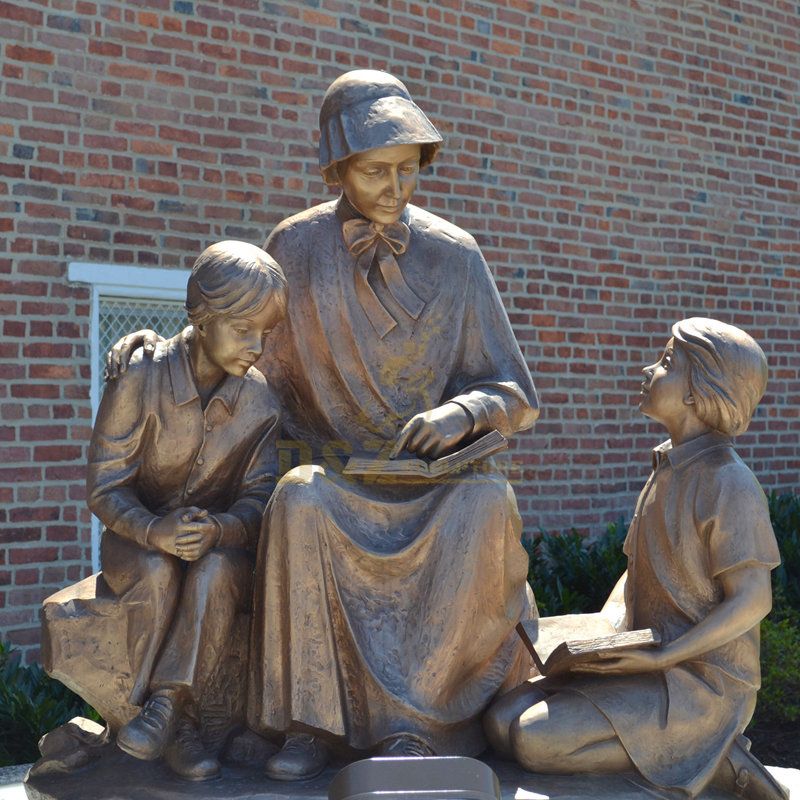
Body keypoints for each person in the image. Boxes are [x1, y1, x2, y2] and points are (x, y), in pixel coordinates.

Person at [106, 70, 540, 781]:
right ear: (338, 167)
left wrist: (462, 411)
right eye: (375, 172)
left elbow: (517, 392)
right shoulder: (296, 246)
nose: (395, 189)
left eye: (407, 171)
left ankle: (419, 724)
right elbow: (243, 355)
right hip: (335, 476)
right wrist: (158, 349)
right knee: (298, 500)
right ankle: (311, 723)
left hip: (433, 485)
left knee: (488, 505)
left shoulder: (456, 255)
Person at [484, 318, 785, 800]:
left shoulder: (730, 483)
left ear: (698, 391)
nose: (649, 369)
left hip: (698, 683)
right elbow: (635, 575)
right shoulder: (665, 468)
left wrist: (663, 656)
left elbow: (753, 600)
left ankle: (716, 756)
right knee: (498, 722)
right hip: (644, 662)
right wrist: (597, 641)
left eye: (667, 362)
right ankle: (686, 752)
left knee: (532, 740)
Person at [89, 241, 286, 780]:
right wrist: (154, 532)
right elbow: (105, 487)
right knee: (156, 570)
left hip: (216, 548)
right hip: (135, 541)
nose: (257, 346)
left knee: (218, 571)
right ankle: (170, 724)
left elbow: (260, 499)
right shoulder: (140, 376)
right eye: (244, 328)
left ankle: (169, 710)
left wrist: (219, 530)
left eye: (265, 332)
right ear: (203, 318)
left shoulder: (260, 403)